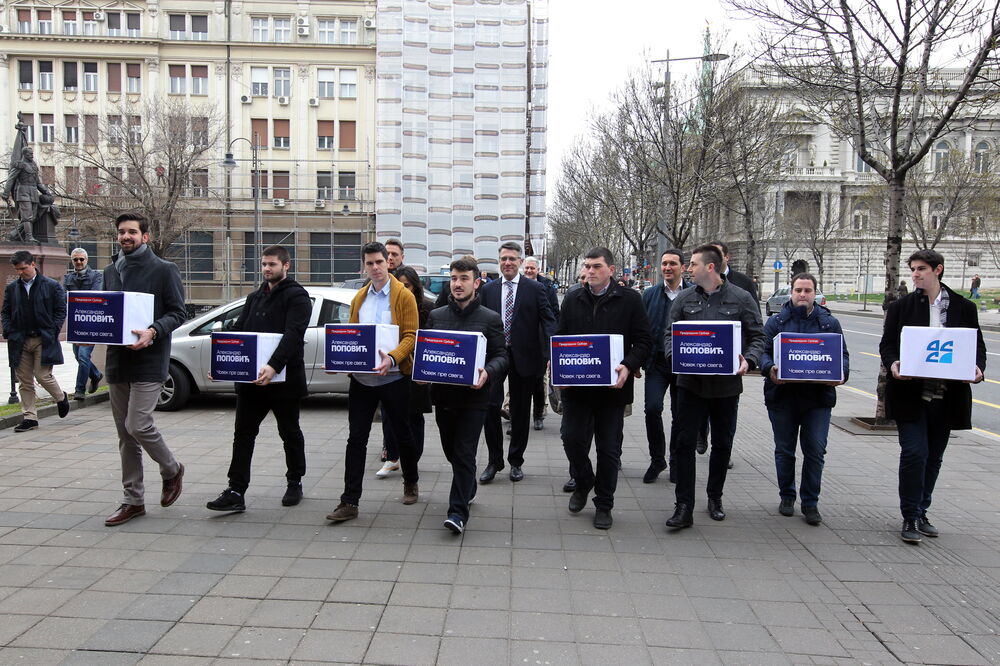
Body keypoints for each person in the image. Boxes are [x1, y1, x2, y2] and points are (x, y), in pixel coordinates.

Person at [879, 249, 986, 544]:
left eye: (921, 269)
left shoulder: (964, 308)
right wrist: (893, 364)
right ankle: (910, 515)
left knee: (934, 458)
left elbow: (977, 348)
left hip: (947, 397)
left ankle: (922, 509)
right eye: (912, 269)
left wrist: (977, 369)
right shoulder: (902, 307)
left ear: (937, 270)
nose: (915, 274)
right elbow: (887, 345)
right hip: (911, 395)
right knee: (915, 453)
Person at [664, 244, 764, 528]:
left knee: (722, 444)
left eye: (693, 264)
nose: (688, 269)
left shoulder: (741, 298)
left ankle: (715, 496)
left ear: (710, 267)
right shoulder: (683, 299)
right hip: (690, 384)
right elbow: (669, 335)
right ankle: (683, 505)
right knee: (684, 443)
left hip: (725, 388)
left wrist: (750, 360)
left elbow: (757, 336)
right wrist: (676, 357)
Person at [206, 245, 312, 513]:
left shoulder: (297, 296)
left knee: (289, 432)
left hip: (283, 381)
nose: (266, 269)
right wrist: (222, 365)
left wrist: (274, 366)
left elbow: (293, 335)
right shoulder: (254, 298)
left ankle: (294, 481)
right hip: (252, 382)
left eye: (272, 264)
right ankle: (235, 490)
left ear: (286, 266)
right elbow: (240, 332)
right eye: (264, 264)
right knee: (243, 434)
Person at [102, 213, 187, 526]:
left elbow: (178, 312)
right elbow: (107, 312)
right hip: (117, 362)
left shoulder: (164, 270)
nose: (126, 236)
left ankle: (171, 469)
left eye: (132, 232)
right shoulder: (110, 271)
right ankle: (133, 500)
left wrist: (153, 330)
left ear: (145, 237)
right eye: (122, 231)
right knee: (125, 436)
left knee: (138, 424)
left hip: (150, 361)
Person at [558, 247, 652, 530]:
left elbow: (645, 341)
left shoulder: (631, 300)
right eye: (586, 266)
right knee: (571, 439)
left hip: (613, 389)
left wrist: (628, 364)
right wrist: (558, 365)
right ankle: (584, 480)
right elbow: (561, 338)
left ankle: (604, 504)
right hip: (577, 388)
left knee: (609, 450)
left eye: (596, 266)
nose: (589, 272)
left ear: (611, 270)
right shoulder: (572, 299)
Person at [327, 242, 420, 523]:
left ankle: (411, 481)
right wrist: (339, 361)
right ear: (364, 266)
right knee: (356, 439)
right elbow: (353, 336)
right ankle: (349, 501)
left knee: (403, 433)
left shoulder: (404, 296)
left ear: (388, 262)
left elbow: (411, 335)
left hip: (393, 378)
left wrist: (392, 359)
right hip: (363, 381)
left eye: (380, 261)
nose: (376, 267)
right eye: (370, 263)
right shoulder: (359, 298)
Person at [424, 257, 508, 533]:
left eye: (463, 279)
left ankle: (457, 512)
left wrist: (488, 373)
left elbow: (501, 356)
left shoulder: (489, 318)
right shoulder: (437, 316)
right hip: (444, 398)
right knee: (452, 451)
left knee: (463, 452)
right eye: (454, 279)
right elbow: (428, 352)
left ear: (476, 283)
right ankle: (468, 484)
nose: (457, 284)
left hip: (475, 400)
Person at [759, 273, 849, 526]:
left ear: (815, 294)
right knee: (785, 450)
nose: (802, 294)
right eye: (798, 290)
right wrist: (770, 369)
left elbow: (842, 356)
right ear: (791, 293)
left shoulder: (829, 323)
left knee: (815, 450)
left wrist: (840, 375)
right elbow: (763, 351)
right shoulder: (776, 322)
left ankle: (810, 502)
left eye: (807, 290)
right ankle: (787, 495)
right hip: (783, 397)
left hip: (817, 399)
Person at [480, 242, 556, 484]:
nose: (508, 263)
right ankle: (494, 461)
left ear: (521, 262)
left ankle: (516, 461)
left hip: (526, 357)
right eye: (503, 259)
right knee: (490, 406)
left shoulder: (534, 289)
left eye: (512, 259)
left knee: (520, 412)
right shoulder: (488, 290)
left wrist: (549, 354)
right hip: (494, 356)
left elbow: (548, 320)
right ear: (499, 261)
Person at [2, 250, 71, 432]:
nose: (20, 272)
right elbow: (6, 311)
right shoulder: (12, 288)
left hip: (43, 338)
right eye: (17, 269)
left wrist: (53, 329)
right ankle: (30, 417)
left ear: (33, 264)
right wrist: (8, 329)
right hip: (20, 339)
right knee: (24, 381)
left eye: (23, 268)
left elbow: (60, 310)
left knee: (42, 376)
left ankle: (60, 397)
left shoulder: (51, 285)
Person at [641, 249, 690, 484]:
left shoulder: (693, 294)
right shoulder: (649, 295)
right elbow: (640, 329)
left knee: (681, 417)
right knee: (652, 409)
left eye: (672, 263)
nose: (667, 268)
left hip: (684, 364)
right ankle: (656, 458)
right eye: (664, 263)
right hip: (656, 362)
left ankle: (675, 462)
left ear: (683, 266)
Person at [394, 266, 434, 461]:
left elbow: (429, 341)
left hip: (417, 368)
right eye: (399, 285)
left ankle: (414, 457)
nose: (403, 289)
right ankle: (397, 455)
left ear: (415, 287)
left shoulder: (426, 307)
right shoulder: (391, 304)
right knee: (398, 416)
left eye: (407, 285)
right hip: (396, 367)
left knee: (415, 416)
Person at [522, 256, 559, 430]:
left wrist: (552, 340)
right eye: (527, 268)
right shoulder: (518, 285)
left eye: (532, 268)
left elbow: (553, 315)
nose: (529, 271)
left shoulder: (547, 287)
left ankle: (538, 415)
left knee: (538, 382)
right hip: (520, 341)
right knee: (519, 383)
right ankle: (517, 418)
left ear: (538, 270)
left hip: (540, 342)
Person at [63, 248, 104, 400]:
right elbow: (63, 298)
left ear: (86, 260)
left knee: (83, 356)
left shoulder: (96, 276)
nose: (79, 262)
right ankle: (96, 375)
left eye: (81, 259)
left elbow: (94, 296)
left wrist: (75, 300)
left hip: (91, 322)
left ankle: (80, 390)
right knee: (77, 355)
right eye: (75, 260)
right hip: (75, 324)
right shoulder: (68, 278)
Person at [2, 146, 49, 243]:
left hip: (33, 192)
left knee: (33, 217)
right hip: (23, 192)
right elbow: (11, 178)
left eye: (32, 153)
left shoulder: (33, 165)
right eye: (29, 154)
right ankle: (28, 237)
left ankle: (14, 234)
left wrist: (47, 192)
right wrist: (6, 193)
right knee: (27, 217)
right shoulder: (20, 165)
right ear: (24, 154)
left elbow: (38, 182)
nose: (32, 155)